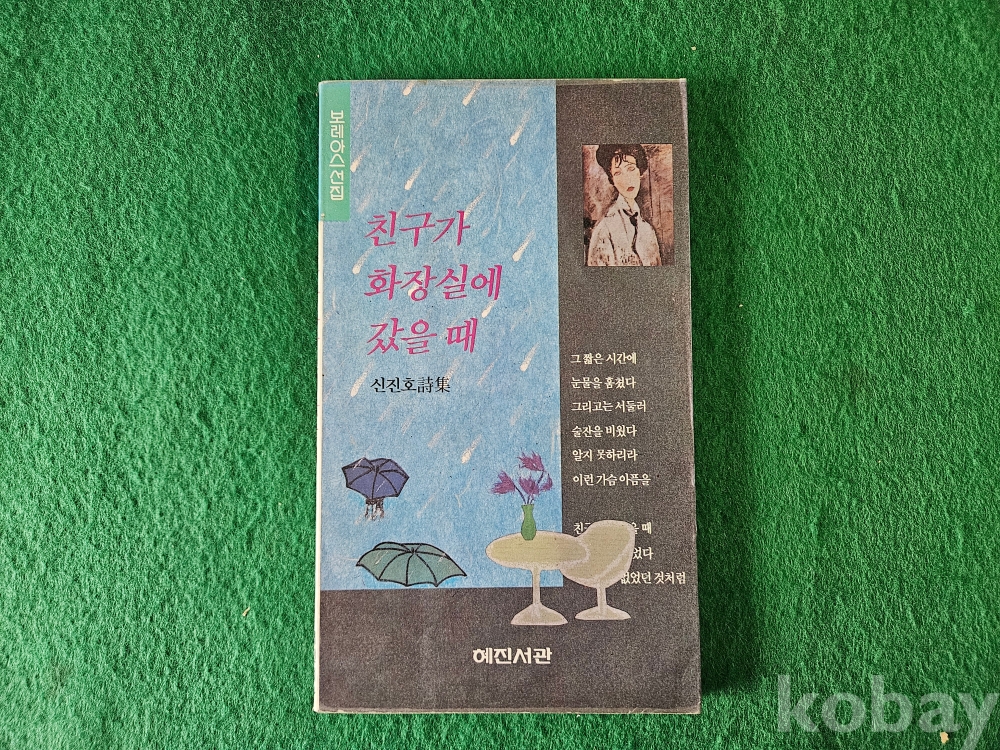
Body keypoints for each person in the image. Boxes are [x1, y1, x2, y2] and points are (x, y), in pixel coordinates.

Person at [587, 144, 661, 266]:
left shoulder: (648, 230)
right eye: (618, 173)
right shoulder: (604, 229)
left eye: (631, 169)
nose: (627, 179)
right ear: (612, 180)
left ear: (639, 172)